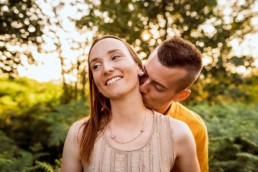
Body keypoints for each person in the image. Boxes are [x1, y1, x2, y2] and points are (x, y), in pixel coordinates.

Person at [61, 35, 200, 172]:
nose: (107, 68)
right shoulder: (79, 134)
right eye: (96, 66)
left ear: (138, 66)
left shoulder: (179, 133)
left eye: (115, 57)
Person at [139, 37, 208, 172]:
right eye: (144, 74)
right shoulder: (113, 106)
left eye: (158, 87)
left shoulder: (194, 128)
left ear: (180, 96)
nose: (142, 87)